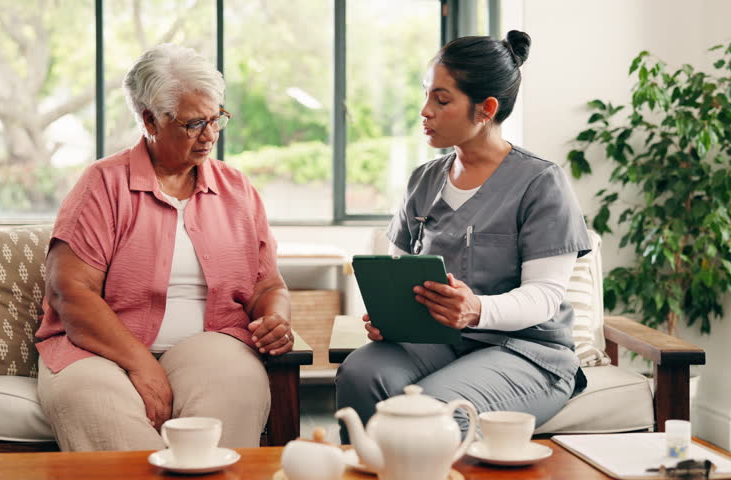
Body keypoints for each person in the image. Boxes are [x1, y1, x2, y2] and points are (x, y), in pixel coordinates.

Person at [35, 43, 293, 451]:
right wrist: (142, 365)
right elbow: (71, 293)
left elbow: (268, 286)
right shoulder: (103, 184)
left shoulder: (237, 189)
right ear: (150, 120)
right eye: (194, 124)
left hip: (212, 344)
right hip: (100, 352)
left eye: (216, 119)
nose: (209, 135)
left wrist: (275, 318)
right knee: (91, 400)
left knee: (237, 385)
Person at [336, 32, 591, 441]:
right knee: (361, 374)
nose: (425, 111)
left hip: (527, 351)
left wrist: (476, 310)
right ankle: (375, 469)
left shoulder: (541, 182)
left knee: (438, 411)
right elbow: (399, 273)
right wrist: (391, 318)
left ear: (486, 109)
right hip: (440, 342)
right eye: (426, 95)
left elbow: (544, 296)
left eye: (442, 100)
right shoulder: (423, 180)